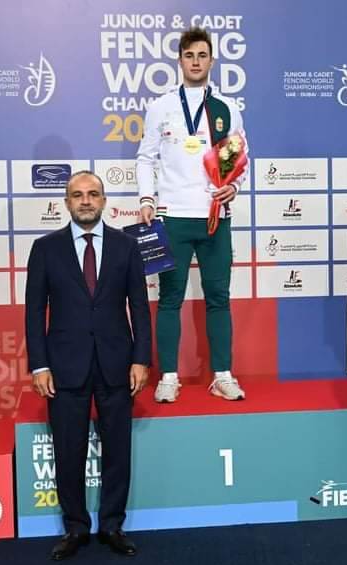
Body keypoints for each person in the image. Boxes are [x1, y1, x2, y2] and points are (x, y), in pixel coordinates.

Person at [25, 171, 151, 560]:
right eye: (77, 195)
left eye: (93, 194)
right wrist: (39, 366)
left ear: (103, 201)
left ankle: (112, 524)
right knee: (68, 450)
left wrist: (141, 359)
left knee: (118, 450)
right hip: (64, 366)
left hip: (117, 364)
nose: (85, 201)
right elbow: (34, 312)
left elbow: (140, 308)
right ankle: (76, 527)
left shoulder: (127, 246)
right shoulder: (45, 248)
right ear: (66, 202)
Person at [136, 26, 247, 403]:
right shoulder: (161, 107)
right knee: (170, 298)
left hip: (216, 214)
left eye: (202, 55)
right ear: (180, 61)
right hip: (173, 216)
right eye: (189, 56)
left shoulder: (227, 107)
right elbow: (145, 157)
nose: (196, 62)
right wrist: (147, 199)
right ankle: (168, 376)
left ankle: (223, 374)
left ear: (211, 60)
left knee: (219, 297)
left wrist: (234, 187)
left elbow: (239, 158)